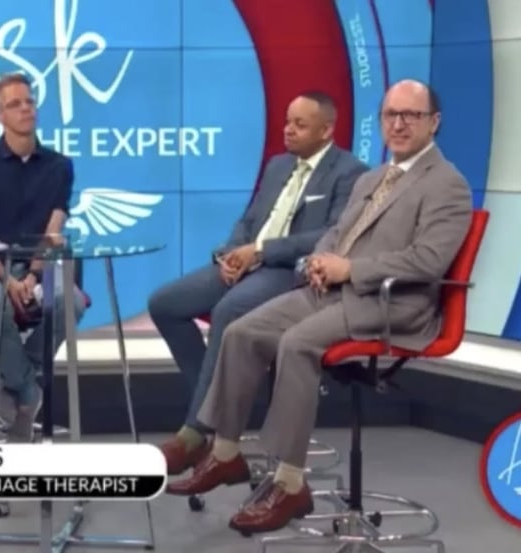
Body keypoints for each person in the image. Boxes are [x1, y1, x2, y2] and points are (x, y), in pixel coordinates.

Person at [164, 80, 473, 533]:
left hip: (391, 302)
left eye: (411, 115)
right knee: (242, 331)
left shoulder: (448, 184)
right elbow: (334, 234)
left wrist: (350, 269)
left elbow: (427, 261)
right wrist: (317, 262)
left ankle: (289, 482)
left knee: (296, 343)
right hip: (335, 291)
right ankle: (225, 453)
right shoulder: (373, 179)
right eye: (391, 115)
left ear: (434, 122)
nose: (399, 124)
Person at [148, 92, 367, 474]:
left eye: (300, 124)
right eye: (288, 121)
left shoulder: (350, 172)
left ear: (326, 130)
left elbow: (330, 235)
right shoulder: (278, 165)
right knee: (164, 304)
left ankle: (196, 432)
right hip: (247, 261)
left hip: (287, 270)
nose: (288, 130)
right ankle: (217, 401)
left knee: (229, 310)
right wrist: (231, 253)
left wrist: (261, 251)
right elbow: (250, 219)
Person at [0, 73, 87, 440]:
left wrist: (32, 275)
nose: (26, 108)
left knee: (72, 302)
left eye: (29, 101)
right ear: (0, 116)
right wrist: (9, 281)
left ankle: (14, 377)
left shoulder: (59, 166)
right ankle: (28, 390)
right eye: (15, 104)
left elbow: (53, 233)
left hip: (36, 265)